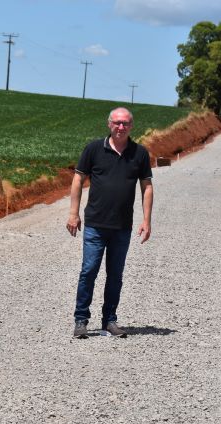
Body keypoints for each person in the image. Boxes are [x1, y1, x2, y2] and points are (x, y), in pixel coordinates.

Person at [67, 107, 153, 338]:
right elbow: (78, 180)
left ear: (131, 126)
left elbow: (146, 187)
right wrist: (74, 213)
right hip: (95, 224)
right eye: (117, 123)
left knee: (115, 274)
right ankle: (81, 320)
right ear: (109, 124)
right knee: (89, 271)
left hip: (122, 227)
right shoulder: (94, 149)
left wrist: (146, 220)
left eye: (125, 123)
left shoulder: (140, 153)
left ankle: (110, 320)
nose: (120, 127)